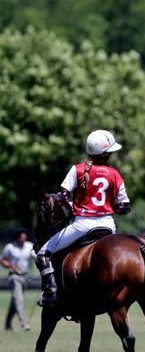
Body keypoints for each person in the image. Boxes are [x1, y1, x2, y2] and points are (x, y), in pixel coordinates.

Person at [36, 130, 130, 307]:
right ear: (105, 154)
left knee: (43, 253)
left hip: (82, 225)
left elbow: (61, 197)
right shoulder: (114, 174)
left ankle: (50, 293)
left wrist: (74, 204)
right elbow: (125, 208)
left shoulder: (77, 169)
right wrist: (108, 205)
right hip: (109, 226)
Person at [2, 229, 35, 331]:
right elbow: (2, 260)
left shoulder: (29, 246)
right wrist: (11, 265)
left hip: (25, 277)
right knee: (19, 300)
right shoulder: (10, 247)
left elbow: (36, 257)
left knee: (15, 302)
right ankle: (24, 323)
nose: (23, 238)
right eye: (21, 236)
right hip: (14, 276)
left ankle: (7, 324)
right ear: (17, 237)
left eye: (25, 236)